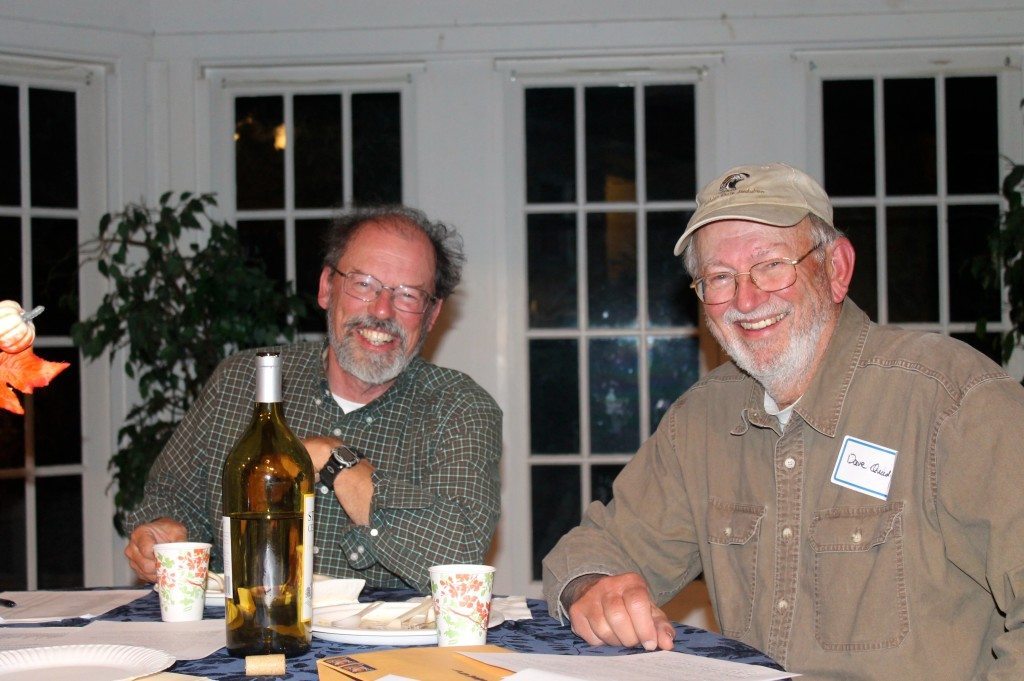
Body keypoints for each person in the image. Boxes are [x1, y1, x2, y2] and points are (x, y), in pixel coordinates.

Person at [542, 162, 1024, 679]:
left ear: (836, 268)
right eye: (720, 278)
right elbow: (593, 547)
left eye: (770, 266)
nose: (746, 302)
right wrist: (593, 586)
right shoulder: (702, 421)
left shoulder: (954, 402)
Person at [124, 205, 502, 594]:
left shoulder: (460, 409)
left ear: (431, 313)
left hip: (388, 650)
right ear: (326, 287)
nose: (382, 310)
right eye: (363, 284)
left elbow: (460, 561)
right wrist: (161, 529)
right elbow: (172, 496)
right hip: (244, 641)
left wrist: (335, 460)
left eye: (408, 295)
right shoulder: (242, 382)